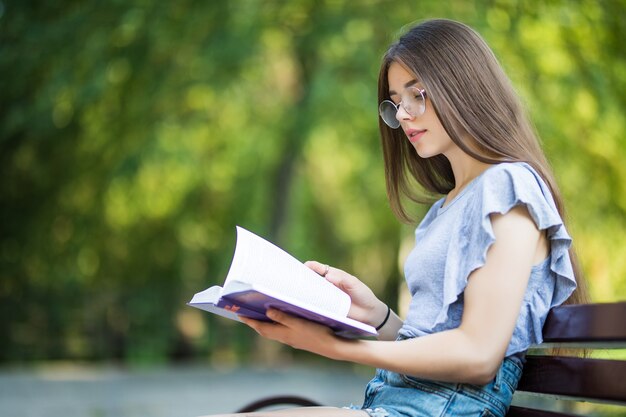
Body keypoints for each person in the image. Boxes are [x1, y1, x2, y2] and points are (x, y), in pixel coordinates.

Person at [208, 18, 588, 417]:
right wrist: (378, 315)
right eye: (396, 102)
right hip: (403, 402)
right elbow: (440, 340)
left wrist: (333, 347)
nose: (404, 115)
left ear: (464, 87)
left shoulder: (509, 186)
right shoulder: (446, 208)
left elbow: (478, 355)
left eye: (417, 95)